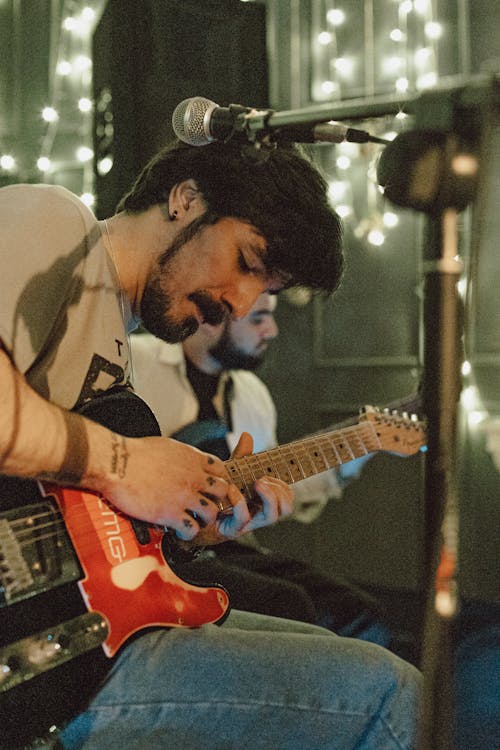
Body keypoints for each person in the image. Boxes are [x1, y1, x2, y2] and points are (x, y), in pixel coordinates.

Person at [0, 138, 422, 749]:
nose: (241, 303)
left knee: (329, 648)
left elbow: (64, 503)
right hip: (47, 662)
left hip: (79, 633)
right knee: (391, 697)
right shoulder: (55, 221)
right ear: (185, 199)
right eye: (247, 261)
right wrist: (125, 464)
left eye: (265, 287)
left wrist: (189, 520)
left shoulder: (117, 344)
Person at [130, 292, 391, 645]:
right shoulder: (136, 362)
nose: (272, 330)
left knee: (361, 613)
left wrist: (361, 447)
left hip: (232, 548)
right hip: (148, 554)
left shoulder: (254, 394)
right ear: (209, 321)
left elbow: (277, 483)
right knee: (290, 605)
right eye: (258, 318)